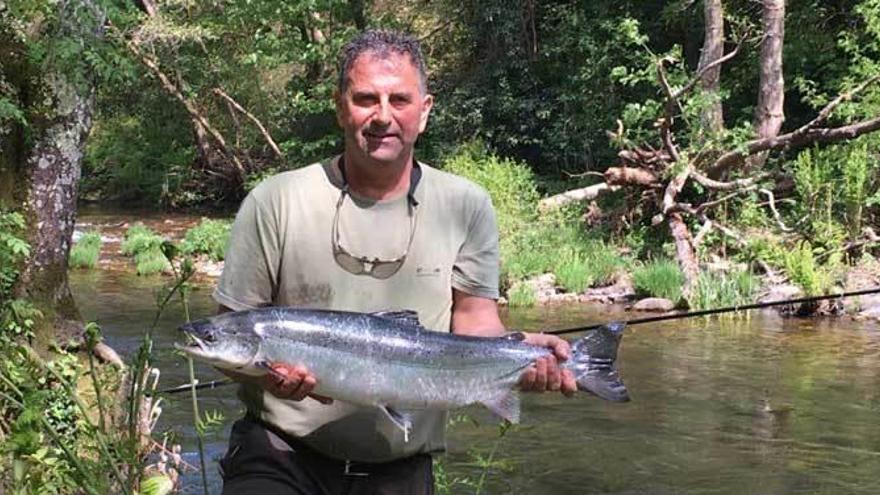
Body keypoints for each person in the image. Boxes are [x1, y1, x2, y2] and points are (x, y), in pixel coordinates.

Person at [212, 29, 577, 495]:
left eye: (399, 100)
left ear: (424, 111)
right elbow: (229, 336)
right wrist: (267, 374)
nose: (382, 116)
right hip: (279, 457)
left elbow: (474, 321)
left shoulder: (466, 205)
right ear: (341, 106)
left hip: (401, 468)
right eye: (366, 98)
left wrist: (518, 354)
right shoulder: (275, 201)